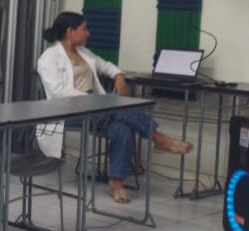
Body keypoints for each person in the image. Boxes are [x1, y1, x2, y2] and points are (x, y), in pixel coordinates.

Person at [36, 11, 192, 205]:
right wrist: (93, 100)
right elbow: (58, 92)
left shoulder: (83, 52)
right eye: (84, 29)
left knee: (122, 127)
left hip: (96, 110)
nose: (88, 33)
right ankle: (158, 138)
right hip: (68, 112)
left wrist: (118, 76)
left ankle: (116, 184)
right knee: (113, 103)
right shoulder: (48, 58)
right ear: (70, 31)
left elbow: (106, 65)